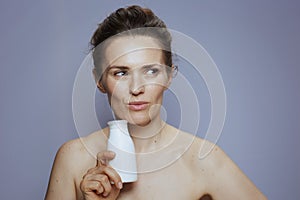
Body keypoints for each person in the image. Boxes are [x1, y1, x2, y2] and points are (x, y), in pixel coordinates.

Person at [45, 5, 266, 200]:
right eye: (120, 73)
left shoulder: (203, 160)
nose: (136, 88)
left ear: (169, 76)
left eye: (151, 71)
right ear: (99, 81)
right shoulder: (73, 159)